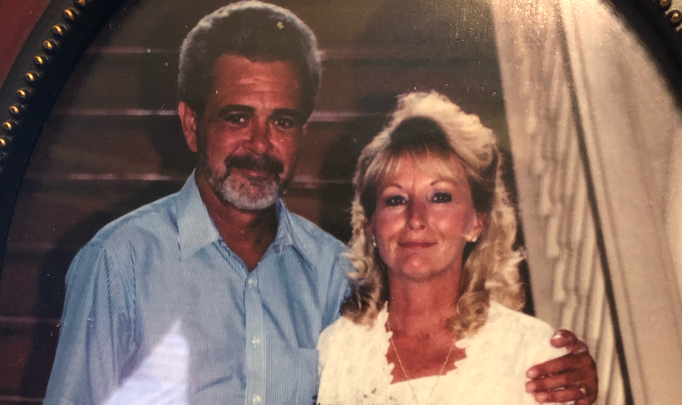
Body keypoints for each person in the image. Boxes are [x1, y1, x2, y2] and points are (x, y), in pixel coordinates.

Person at [43, 2, 597, 405]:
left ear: (302, 131)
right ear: (191, 124)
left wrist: (571, 373)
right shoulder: (120, 263)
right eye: (237, 117)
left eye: (282, 121)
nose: (260, 144)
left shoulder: (337, 275)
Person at [317, 91, 593, 404]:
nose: (416, 219)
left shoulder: (532, 352)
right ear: (371, 226)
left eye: (440, 197)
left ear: (476, 221)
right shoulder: (337, 349)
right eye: (395, 199)